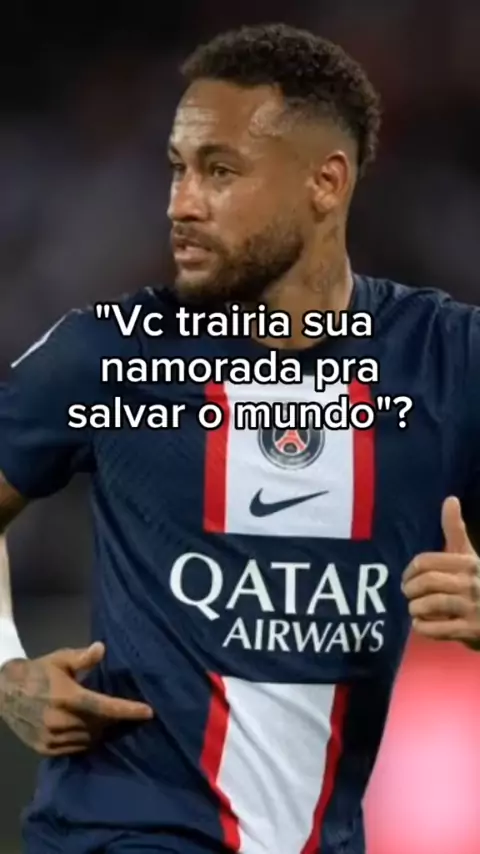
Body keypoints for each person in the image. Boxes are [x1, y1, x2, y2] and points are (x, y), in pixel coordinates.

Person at [0, 21, 479, 854]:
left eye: (220, 171)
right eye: (177, 168)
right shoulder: (108, 353)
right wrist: (5, 666)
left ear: (327, 183)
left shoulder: (448, 361)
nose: (181, 203)